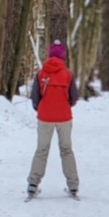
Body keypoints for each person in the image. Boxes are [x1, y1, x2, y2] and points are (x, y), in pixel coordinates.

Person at [27, 40, 80, 199]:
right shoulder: (68, 74)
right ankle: (73, 185)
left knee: (41, 150)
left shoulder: (41, 73)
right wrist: (64, 106)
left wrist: (42, 108)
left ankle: (33, 183)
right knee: (66, 149)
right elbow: (74, 97)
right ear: (63, 56)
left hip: (45, 117)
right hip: (64, 117)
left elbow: (35, 97)